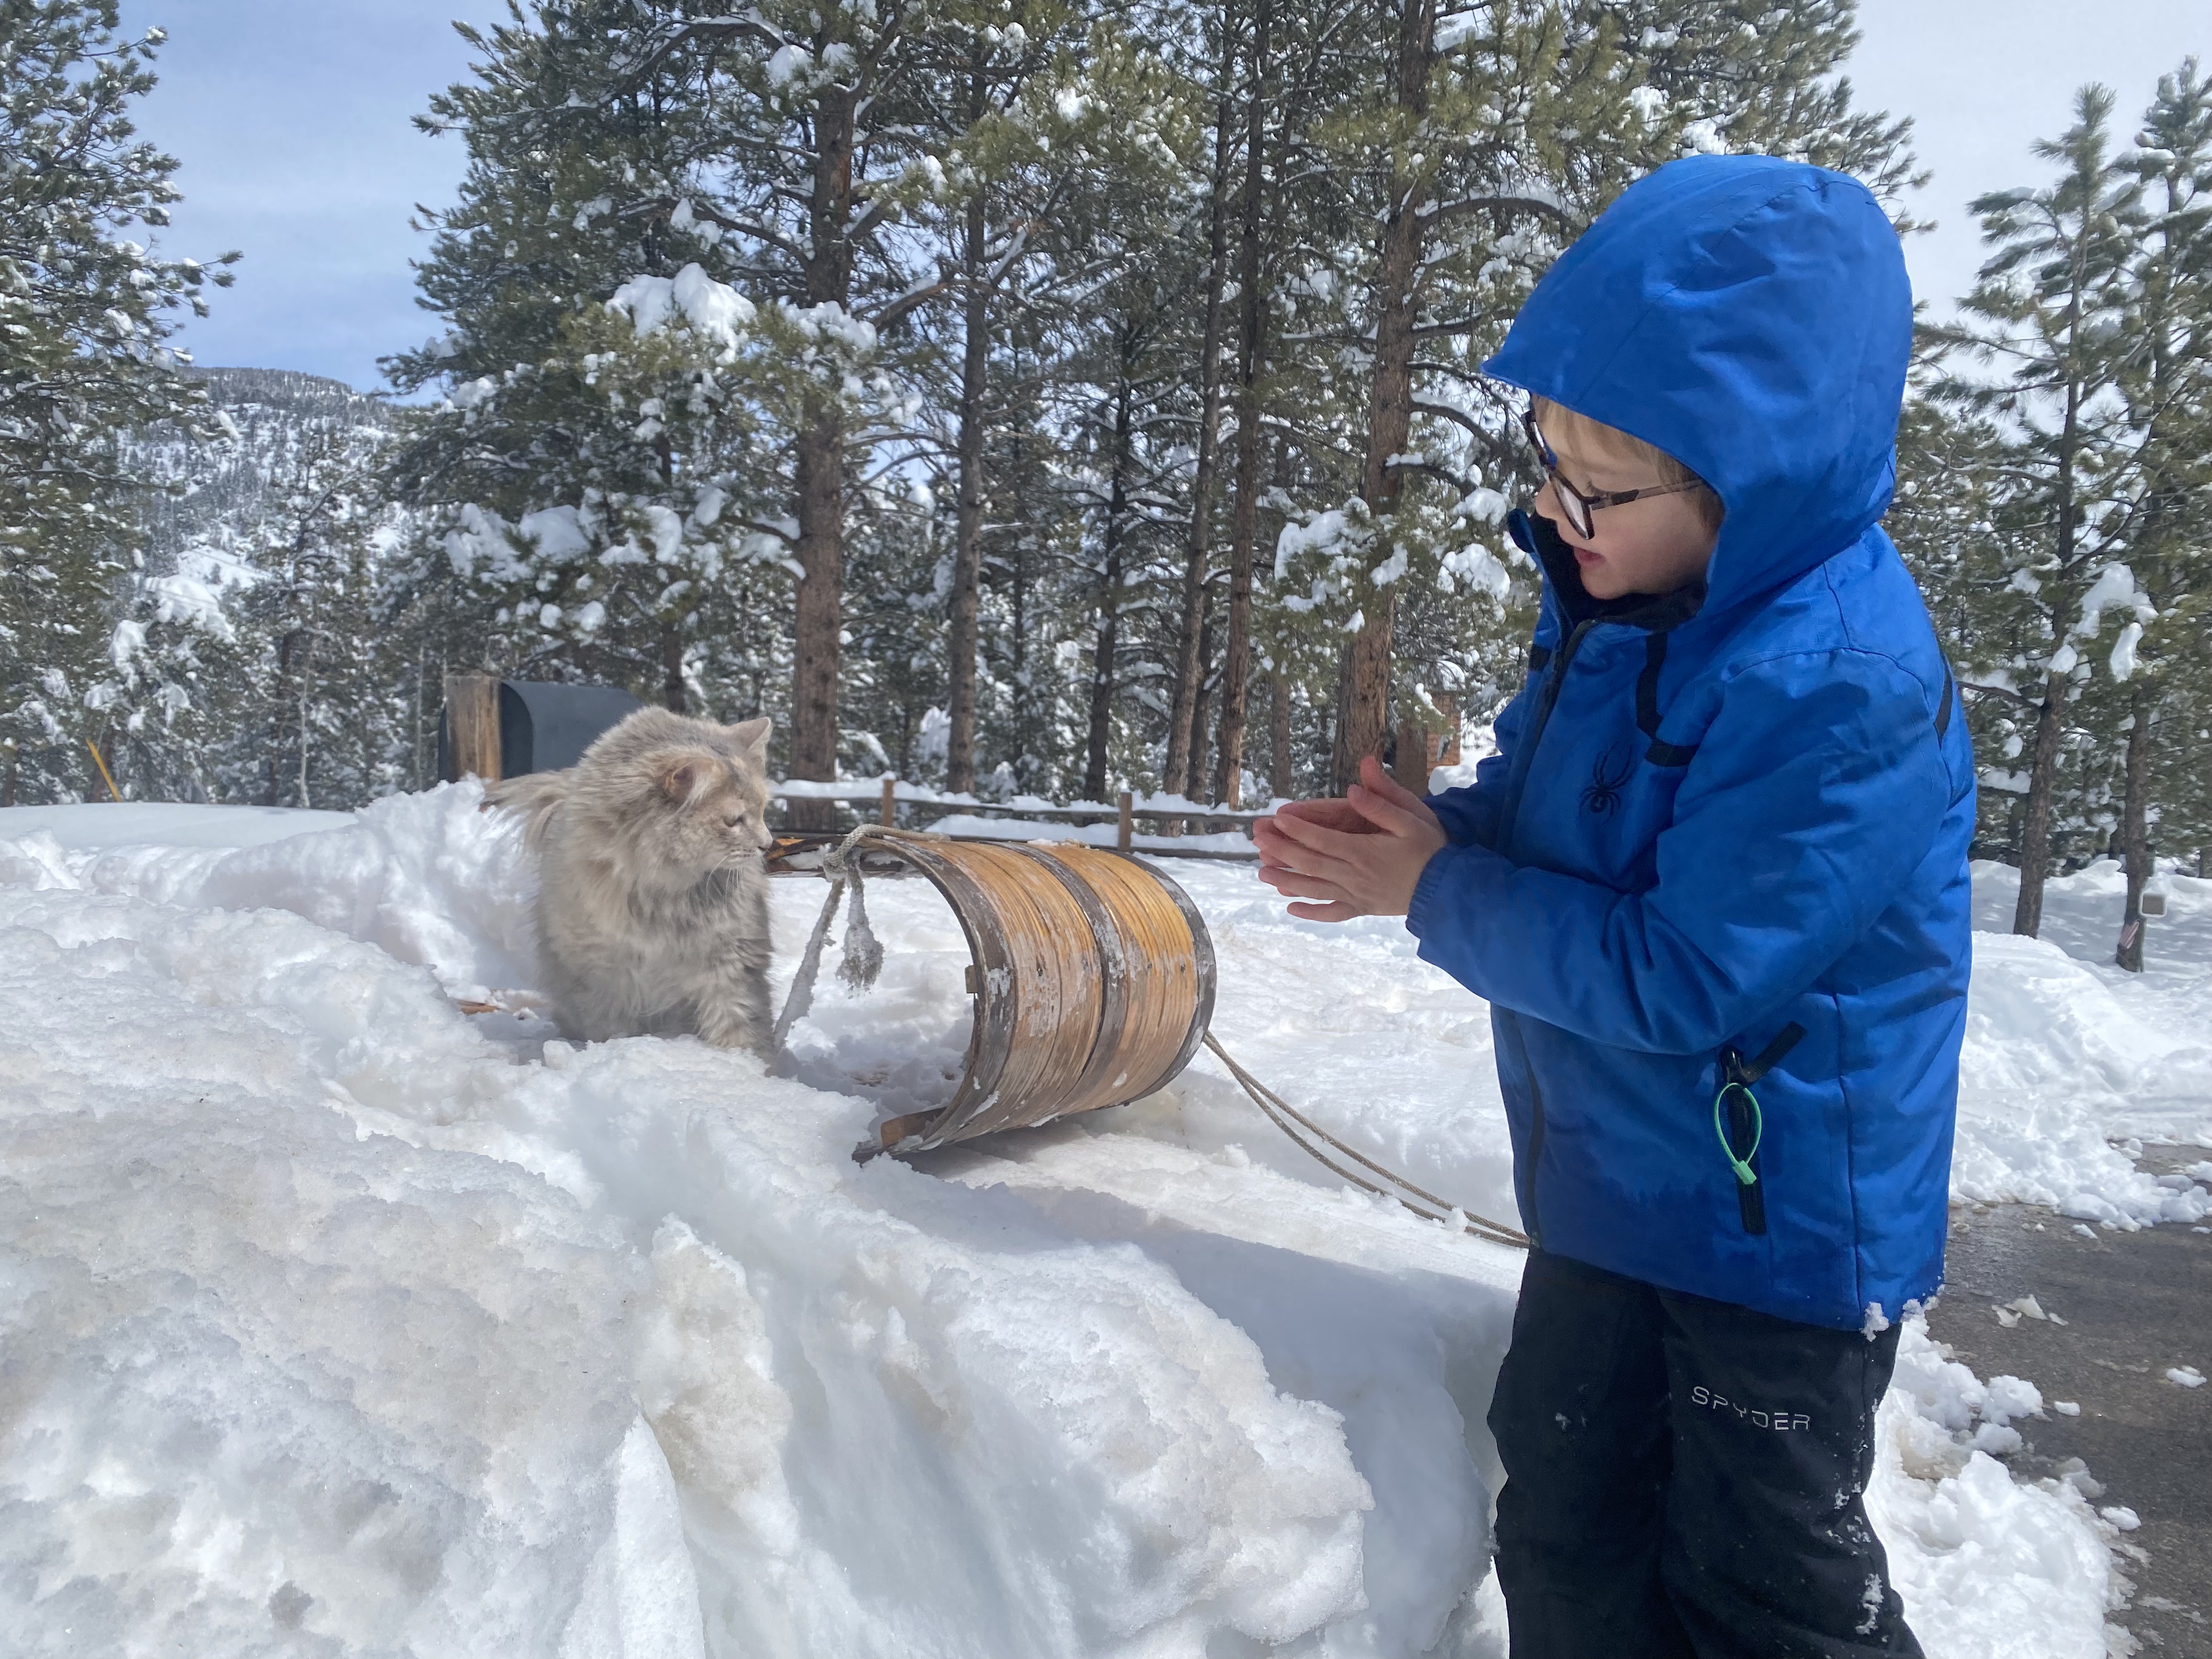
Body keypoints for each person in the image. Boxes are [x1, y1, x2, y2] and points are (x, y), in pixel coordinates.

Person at [1254, 153, 1973, 1659]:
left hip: (1774, 1230)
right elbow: (1568, 819)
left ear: (1744, 485)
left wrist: (1437, 893)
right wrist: (1431, 832)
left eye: (1597, 484)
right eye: (1543, 457)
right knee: (1568, 1516)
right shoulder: (1627, 594)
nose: (1552, 505)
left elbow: (1682, 972)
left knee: (1765, 1582)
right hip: (1620, 1187)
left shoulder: (1832, 678)